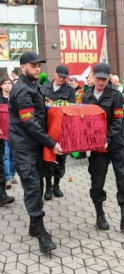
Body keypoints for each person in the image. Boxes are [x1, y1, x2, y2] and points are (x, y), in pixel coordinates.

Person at [8, 51, 63, 252]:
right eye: (33, 65)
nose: (38, 68)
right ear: (22, 67)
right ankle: (41, 233)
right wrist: (51, 142)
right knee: (32, 187)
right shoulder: (22, 90)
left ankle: (33, 225)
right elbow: (29, 123)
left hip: (34, 145)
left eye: (39, 65)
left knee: (37, 184)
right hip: (24, 147)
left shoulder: (33, 86)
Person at [82, 62, 124, 231]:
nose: (101, 82)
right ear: (93, 76)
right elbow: (85, 121)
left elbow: (117, 121)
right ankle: (100, 215)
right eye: (98, 79)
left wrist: (106, 138)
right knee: (97, 179)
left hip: (116, 143)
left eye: (104, 79)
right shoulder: (86, 97)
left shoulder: (115, 95)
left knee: (123, 177)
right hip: (97, 146)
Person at [40, 65, 76, 201]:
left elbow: (71, 110)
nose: (61, 79)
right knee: (48, 160)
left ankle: (57, 185)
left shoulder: (70, 91)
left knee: (61, 159)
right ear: (54, 74)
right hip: (47, 129)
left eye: (64, 77)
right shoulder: (43, 89)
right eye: (59, 76)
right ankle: (48, 186)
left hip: (63, 130)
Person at [0, 76, 15, 206]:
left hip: (12, 132)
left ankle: (9, 177)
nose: (7, 86)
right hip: (1, 134)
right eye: (5, 84)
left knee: (12, 156)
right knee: (4, 157)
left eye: (9, 83)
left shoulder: (14, 97)